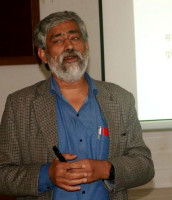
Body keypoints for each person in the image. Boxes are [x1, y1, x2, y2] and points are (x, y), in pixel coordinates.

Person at [0, 11, 154, 200]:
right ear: (43, 54)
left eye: (75, 38)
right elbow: (3, 174)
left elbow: (145, 166)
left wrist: (106, 169)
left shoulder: (120, 99)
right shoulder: (20, 105)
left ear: (86, 46)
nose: (69, 46)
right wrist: (46, 174)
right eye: (58, 41)